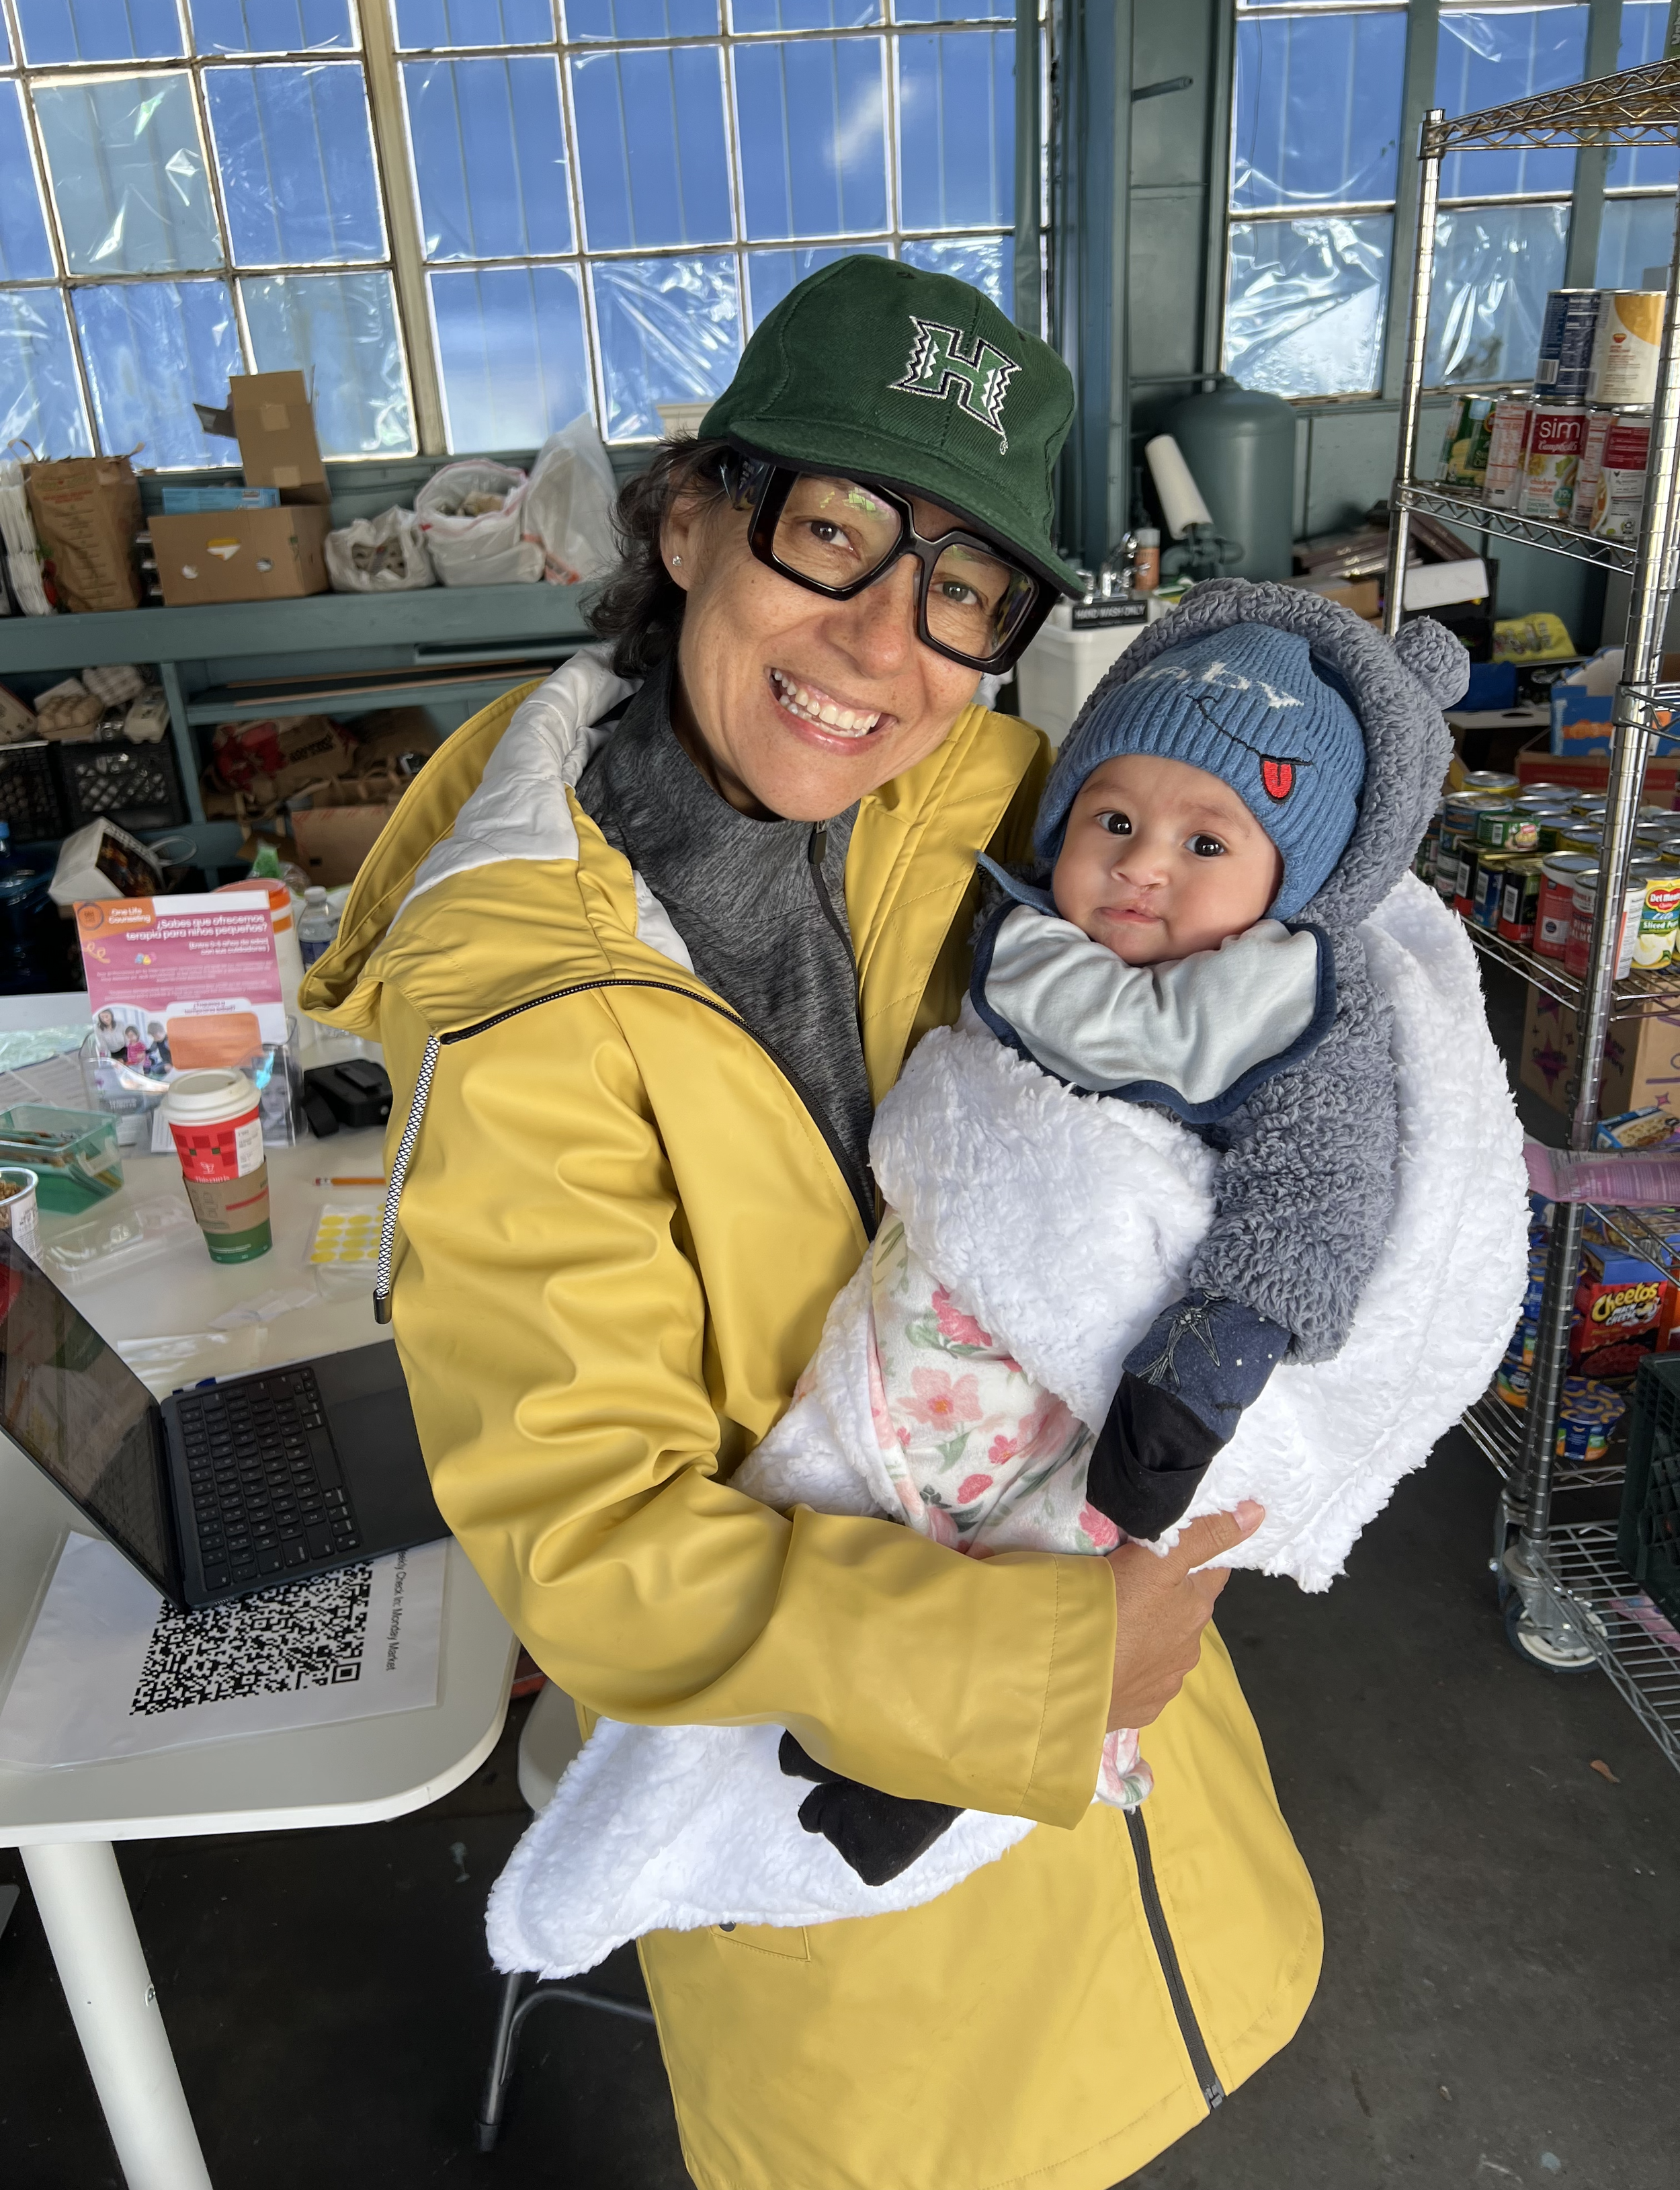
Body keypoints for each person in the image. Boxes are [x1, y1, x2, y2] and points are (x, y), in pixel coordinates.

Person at [299, 256, 1322, 2190]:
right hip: (867, 1888)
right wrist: (1043, 1669)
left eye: (962, 590)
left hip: (1163, 1796)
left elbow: (1296, 942)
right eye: (831, 531)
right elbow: (595, 1546)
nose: (878, 646)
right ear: (687, 520)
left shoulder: (1007, 802)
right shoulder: (517, 1000)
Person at [486, 582, 1521, 1953]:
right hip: (931, 1332)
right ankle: (844, 1757)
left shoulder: (1293, 1008)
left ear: (1298, 875)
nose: (1141, 866)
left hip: (1110, 1387)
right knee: (863, 1513)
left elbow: (1316, 1191)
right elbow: (961, 1097)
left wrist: (1214, 1345)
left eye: (1206, 839)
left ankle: (908, 1786)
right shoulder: (1013, 936)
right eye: (1110, 821)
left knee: (1051, 1562)